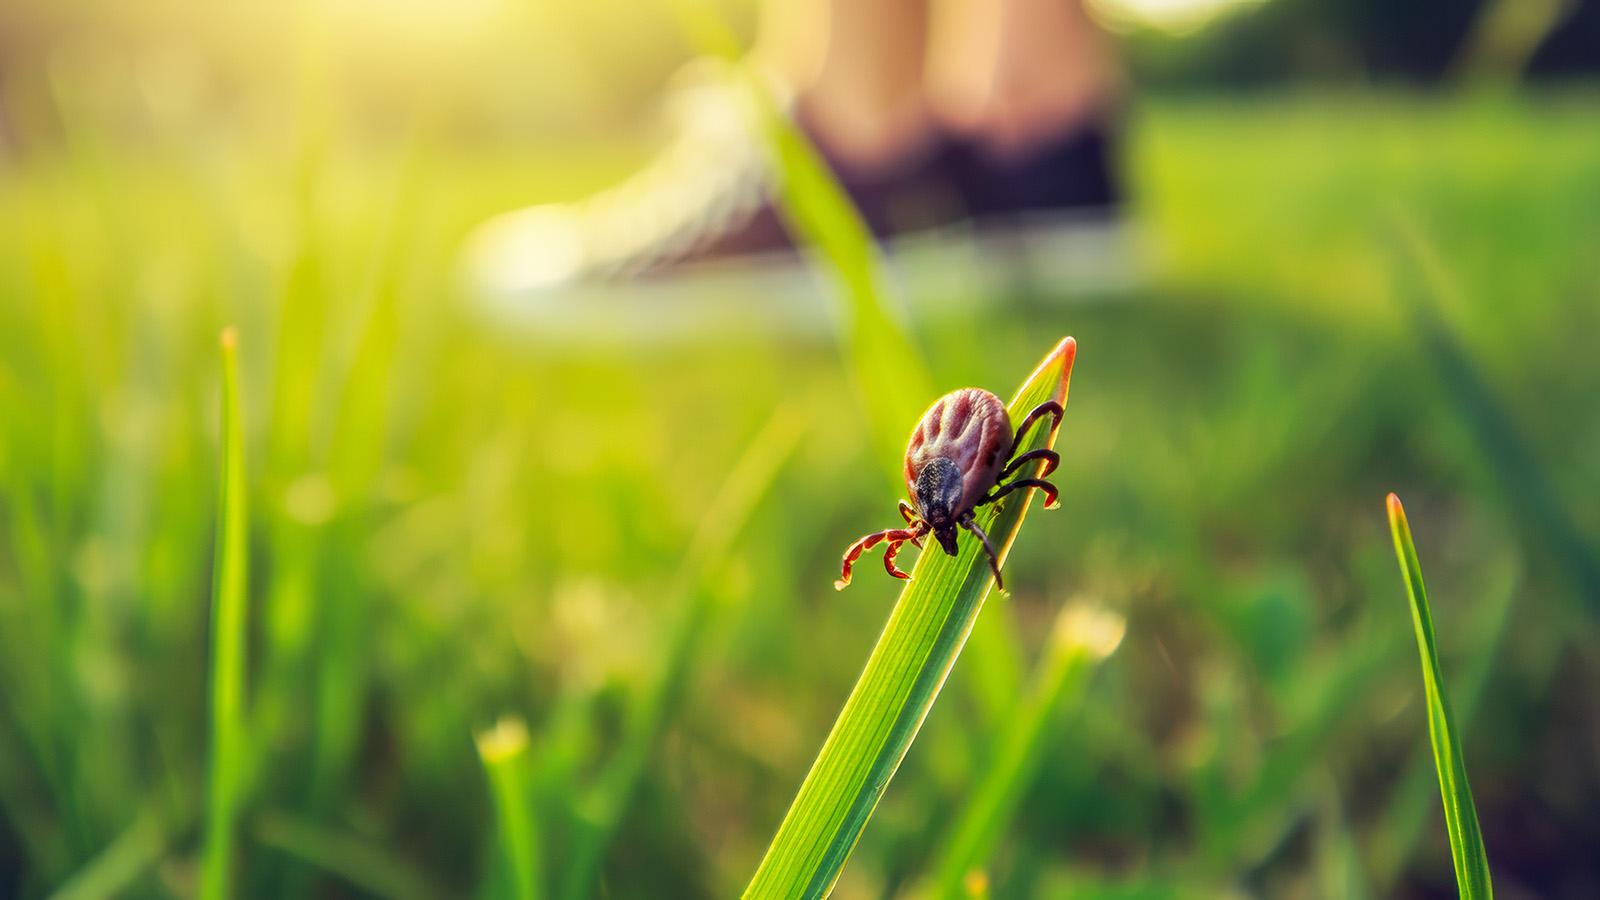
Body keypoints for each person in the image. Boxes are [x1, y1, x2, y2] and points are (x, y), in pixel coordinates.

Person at [464, 0, 1128, 334]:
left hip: (866, 157)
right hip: (1058, 156)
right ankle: (1039, 136)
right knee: (1032, 98)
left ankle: (857, 126)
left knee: (864, 112)